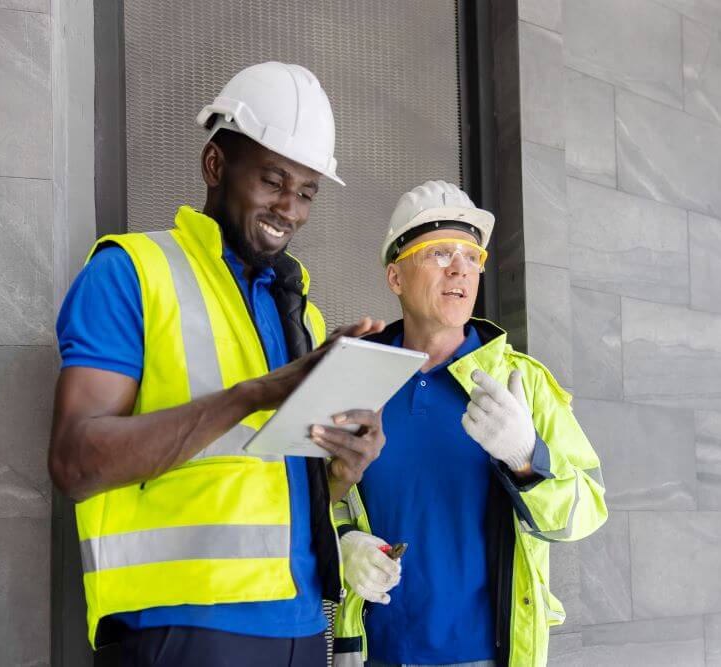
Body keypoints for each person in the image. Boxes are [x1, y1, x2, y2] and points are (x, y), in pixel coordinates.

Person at [48, 62, 386, 666]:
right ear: (215, 166)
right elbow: (75, 463)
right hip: (178, 628)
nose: (290, 207)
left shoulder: (296, 308)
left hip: (305, 624)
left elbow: (272, 481)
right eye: (273, 180)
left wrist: (340, 471)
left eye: (306, 191)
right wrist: (251, 394)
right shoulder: (131, 272)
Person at [330, 181, 608, 666]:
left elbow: (587, 512)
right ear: (395, 277)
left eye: (471, 256)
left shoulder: (523, 383)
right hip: (377, 655)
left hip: (484, 656)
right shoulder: (357, 381)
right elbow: (308, 496)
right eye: (438, 253)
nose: (461, 268)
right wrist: (342, 548)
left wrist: (527, 460)